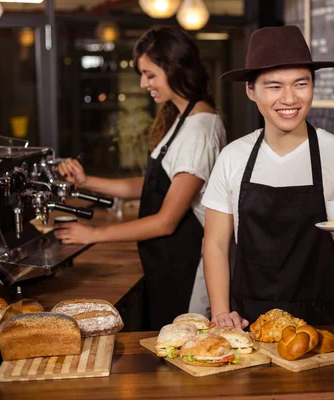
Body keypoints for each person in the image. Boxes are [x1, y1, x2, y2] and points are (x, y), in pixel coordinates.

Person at [201, 25, 334, 329]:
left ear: (313, 86)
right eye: (273, 86)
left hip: (326, 328)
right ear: (250, 90)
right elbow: (215, 243)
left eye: (300, 84)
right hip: (248, 323)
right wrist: (220, 312)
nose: (289, 98)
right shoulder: (232, 158)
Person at [55, 26, 226, 330]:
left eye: (150, 74)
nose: (143, 83)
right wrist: (86, 181)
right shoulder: (182, 118)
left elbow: (166, 220)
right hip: (167, 262)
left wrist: (93, 235)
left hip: (187, 266)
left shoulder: (199, 130)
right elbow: (152, 185)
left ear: (174, 69)